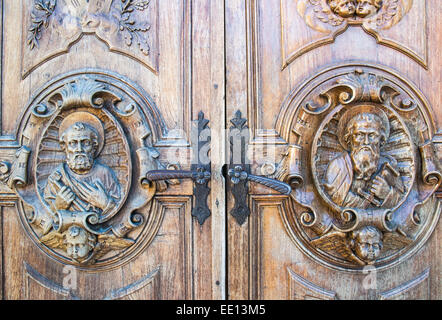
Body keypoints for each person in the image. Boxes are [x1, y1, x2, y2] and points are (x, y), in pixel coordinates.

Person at [324, 109, 404, 209]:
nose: (366, 142)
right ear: (350, 139)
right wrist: (364, 204)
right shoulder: (338, 166)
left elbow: (403, 201)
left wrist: (387, 193)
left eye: (372, 135)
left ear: (381, 139)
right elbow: (335, 197)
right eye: (360, 135)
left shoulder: (389, 166)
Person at [44, 120, 120, 217]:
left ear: (94, 147)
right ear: (65, 147)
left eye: (86, 143)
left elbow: (120, 209)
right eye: (73, 143)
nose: (79, 149)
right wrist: (57, 205)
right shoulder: (57, 177)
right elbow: (46, 216)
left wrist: (105, 203)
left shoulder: (105, 173)